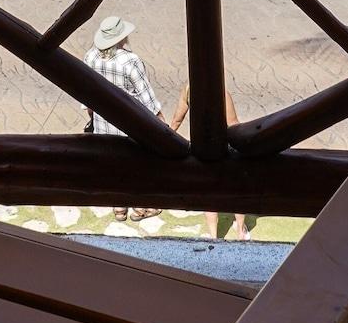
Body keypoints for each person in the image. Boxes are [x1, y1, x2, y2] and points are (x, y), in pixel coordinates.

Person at [83, 15, 162, 222]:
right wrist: (163, 125)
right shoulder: (130, 61)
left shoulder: (90, 57)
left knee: (114, 166)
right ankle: (141, 205)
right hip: (130, 125)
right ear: (122, 37)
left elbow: (86, 96)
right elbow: (148, 100)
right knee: (137, 166)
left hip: (103, 124)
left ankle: (119, 206)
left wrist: (92, 115)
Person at [169, 83, 251, 240]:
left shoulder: (188, 90)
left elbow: (176, 120)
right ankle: (240, 231)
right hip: (223, 147)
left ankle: (213, 236)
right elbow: (233, 123)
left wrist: (166, 139)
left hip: (202, 148)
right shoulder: (221, 93)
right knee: (237, 189)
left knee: (209, 192)